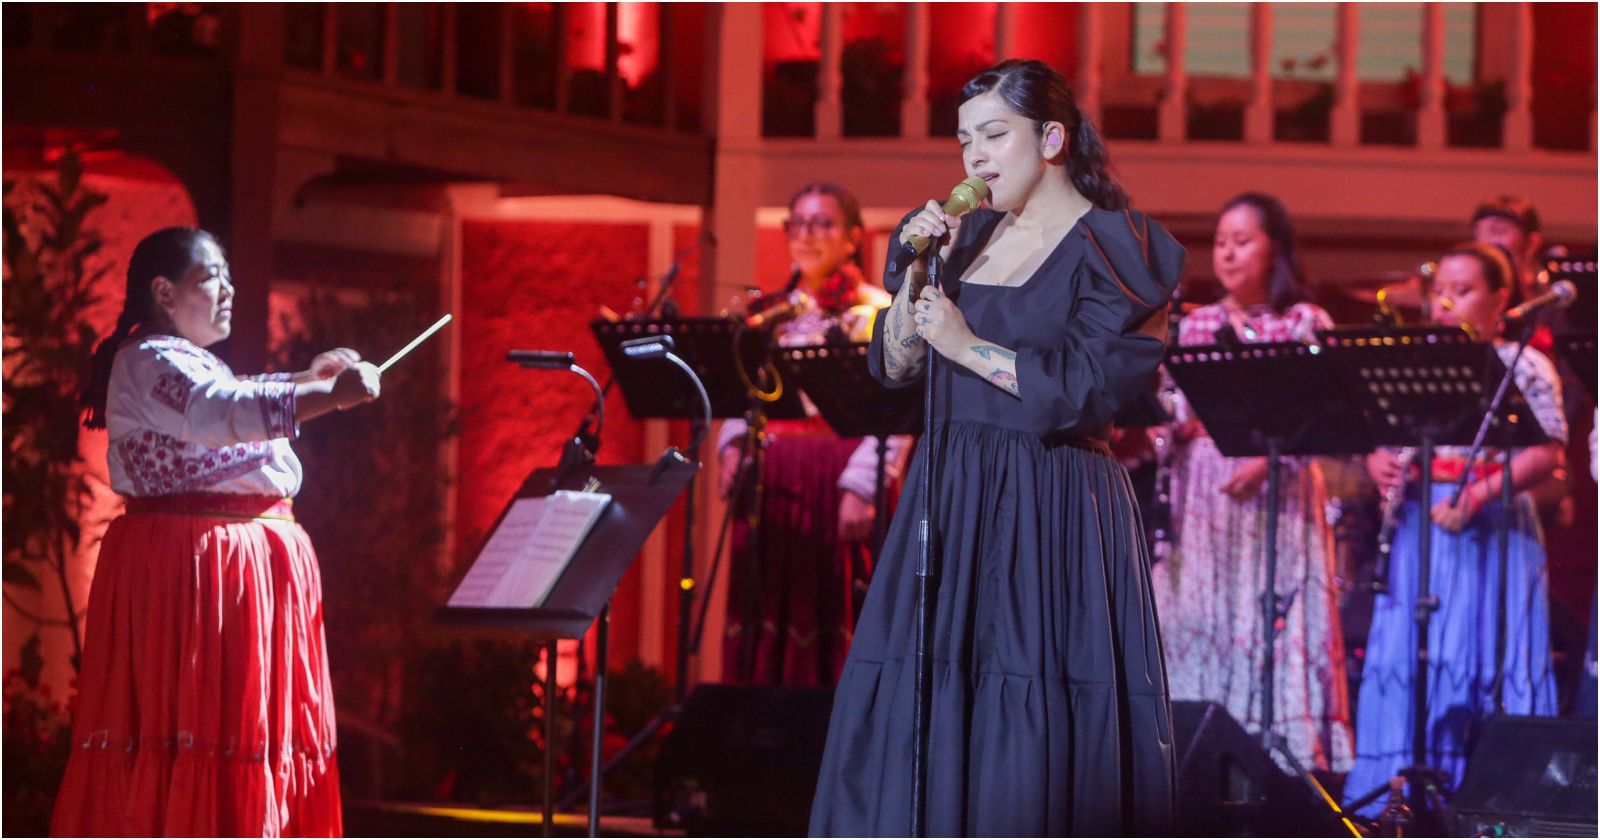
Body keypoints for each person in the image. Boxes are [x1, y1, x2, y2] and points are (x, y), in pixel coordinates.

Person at [808, 59, 1183, 836]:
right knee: (928, 695)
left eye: (994, 136)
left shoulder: (1116, 244)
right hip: (953, 490)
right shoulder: (967, 235)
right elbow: (899, 363)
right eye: (964, 142)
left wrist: (972, 347)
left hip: (1051, 495)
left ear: (1051, 137)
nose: (976, 159)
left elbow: (1085, 386)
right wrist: (914, 271)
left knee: (1029, 696)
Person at [52, 227, 381, 837]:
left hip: (229, 565)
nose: (228, 290)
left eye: (229, 276)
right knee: (202, 728)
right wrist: (327, 396)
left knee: (237, 731)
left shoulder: (184, 360)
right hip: (196, 567)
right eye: (211, 278)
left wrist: (311, 381)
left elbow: (235, 397)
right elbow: (220, 410)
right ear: (163, 292)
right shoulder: (149, 359)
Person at [1345, 241, 1566, 814]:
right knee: (1410, 656)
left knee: (1487, 655)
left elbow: (1546, 452)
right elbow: (1380, 434)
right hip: (1422, 526)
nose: (1446, 302)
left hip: (1489, 525)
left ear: (1501, 300)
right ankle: (1402, 795)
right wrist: (1378, 461)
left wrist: (1475, 496)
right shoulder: (1418, 360)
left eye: (1464, 291)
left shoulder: (1524, 363)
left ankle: (1490, 799)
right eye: (1441, 290)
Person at [1150, 193, 1354, 774]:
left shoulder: (1304, 322)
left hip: (1277, 493)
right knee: (1203, 613)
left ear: (1276, 250)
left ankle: (1276, 760)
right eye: (1220, 242)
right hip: (1207, 499)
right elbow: (1175, 412)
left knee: (1270, 615)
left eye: (1243, 240)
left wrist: (1269, 460)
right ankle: (1200, 750)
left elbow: (1325, 413)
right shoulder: (1197, 323)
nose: (1228, 253)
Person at [718, 182, 909, 687]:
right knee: (767, 609)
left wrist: (865, 483)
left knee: (837, 604)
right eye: (797, 224)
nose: (806, 234)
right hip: (775, 478)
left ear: (851, 239)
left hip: (839, 475)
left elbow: (900, 407)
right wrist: (732, 449)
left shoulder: (877, 310)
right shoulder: (772, 314)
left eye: (822, 223)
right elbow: (744, 392)